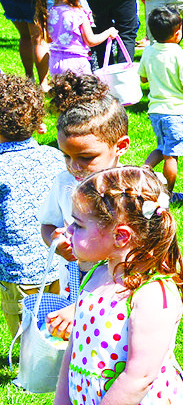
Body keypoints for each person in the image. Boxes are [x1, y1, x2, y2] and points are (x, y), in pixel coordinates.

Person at [53, 166, 183, 405]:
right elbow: (73, 349)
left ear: (121, 236)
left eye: (79, 225)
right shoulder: (96, 276)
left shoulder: (152, 294)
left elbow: (140, 377)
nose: (68, 231)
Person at [37, 73, 131, 339]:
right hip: (74, 286)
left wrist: (83, 306)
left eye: (86, 157)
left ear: (120, 146)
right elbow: (48, 223)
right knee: (79, 347)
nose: (74, 166)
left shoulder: (133, 190)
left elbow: (141, 257)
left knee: (111, 350)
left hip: (119, 291)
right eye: (66, 156)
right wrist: (55, 240)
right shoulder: (64, 183)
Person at [0, 73, 66, 338]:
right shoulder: (55, 156)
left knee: (29, 342)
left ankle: (34, 377)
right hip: (60, 262)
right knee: (58, 333)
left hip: (17, 272)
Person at [139, 5, 183, 197]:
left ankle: (143, 170)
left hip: (156, 111)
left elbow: (143, 78)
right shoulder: (181, 54)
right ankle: (168, 194)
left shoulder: (148, 52)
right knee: (171, 155)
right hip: (176, 113)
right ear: (178, 33)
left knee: (163, 147)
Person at [35, 0, 118, 76]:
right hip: (76, 63)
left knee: (61, 92)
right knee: (82, 92)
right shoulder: (78, 13)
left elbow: (49, 38)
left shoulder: (48, 13)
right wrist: (109, 32)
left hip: (55, 62)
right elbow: (91, 41)